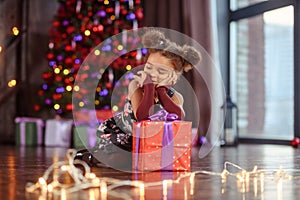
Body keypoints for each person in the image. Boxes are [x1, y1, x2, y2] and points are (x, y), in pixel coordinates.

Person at [75, 30, 201, 168]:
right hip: (125, 136)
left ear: (174, 76)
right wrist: (149, 87)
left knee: (148, 161)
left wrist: (161, 90)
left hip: (152, 142)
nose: (152, 73)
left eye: (161, 71)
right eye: (149, 67)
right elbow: (142, 116)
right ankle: (93, 155)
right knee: (120, 161)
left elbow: (177, 117)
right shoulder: (135, 85)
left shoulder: (176, 97)